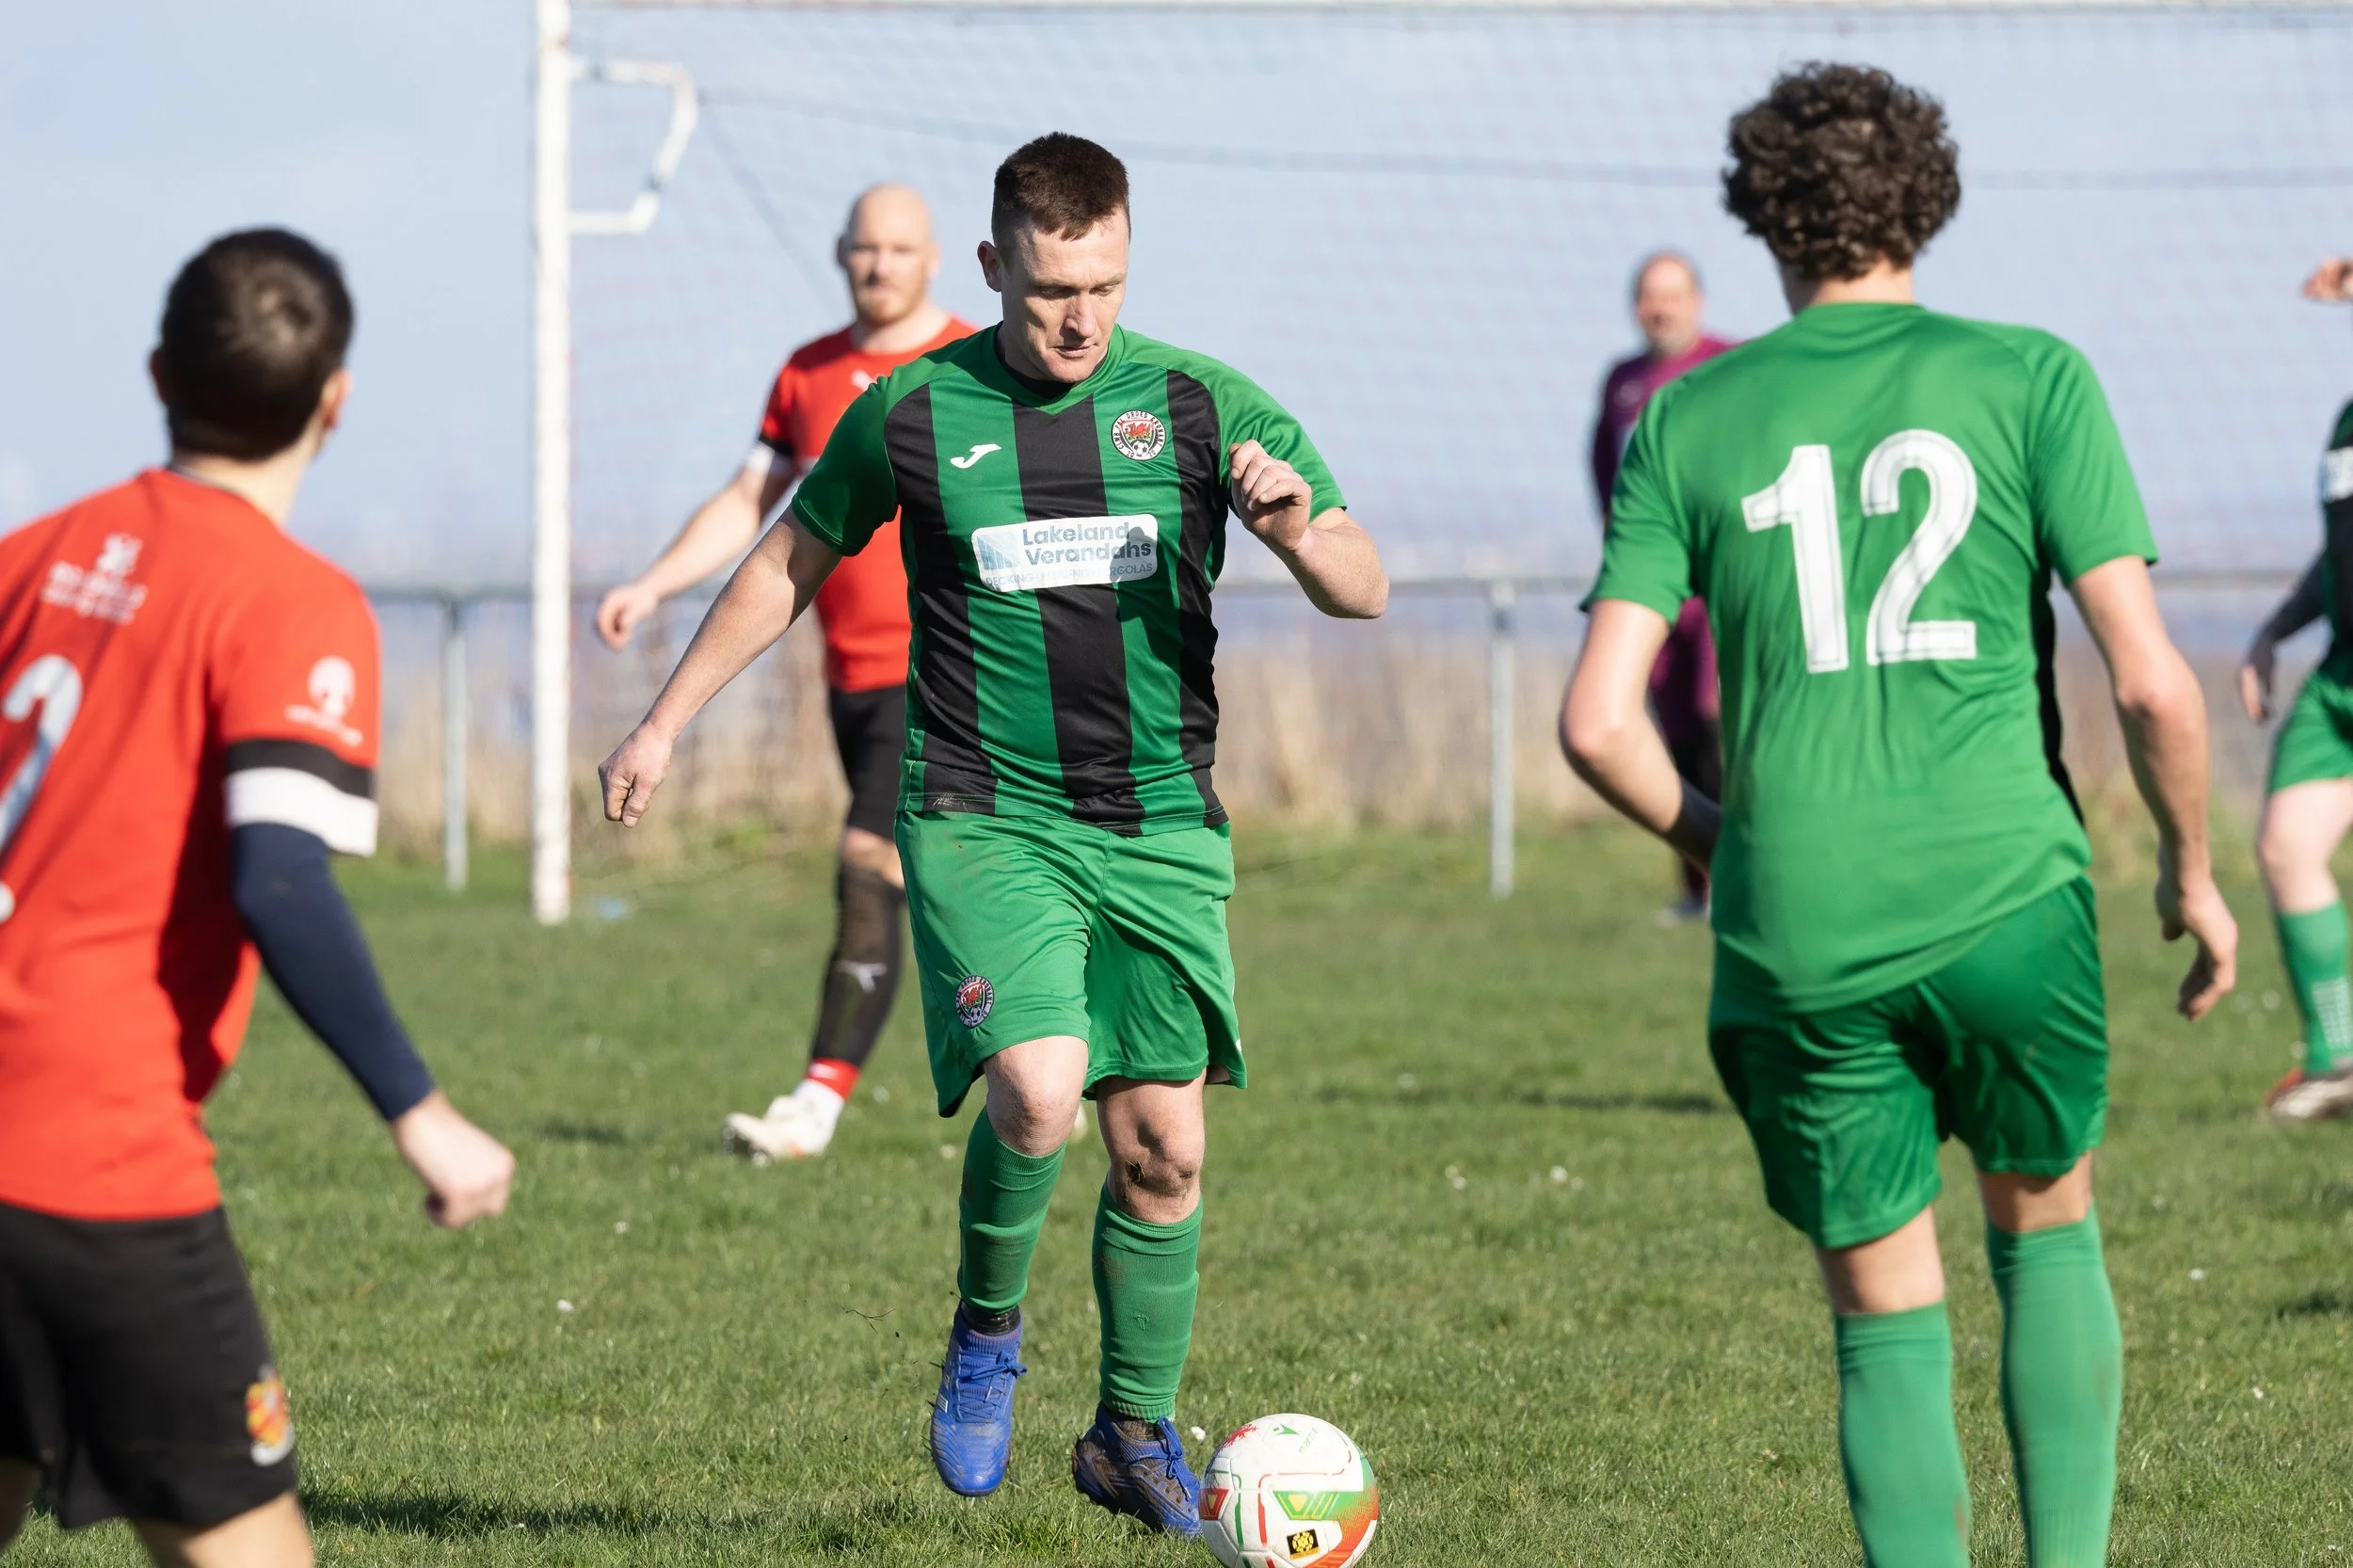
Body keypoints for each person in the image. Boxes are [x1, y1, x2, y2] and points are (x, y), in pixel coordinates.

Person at [598, 134, 1386, 1536]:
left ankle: (1129, 1429)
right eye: (1047, 291)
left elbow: (1361, 579)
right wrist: (663, 721)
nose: (1080, 318)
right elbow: (788, 558)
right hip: (979, 812)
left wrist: (1295, 533)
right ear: (990, 269)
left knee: (1164, 1149)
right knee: (1036, 1086)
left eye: (1105, 285)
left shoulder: (1202, 406)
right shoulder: (911, 412)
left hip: (1156, 829)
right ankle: (986, 1326)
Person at [1561, 66, 2234, 1568]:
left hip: (1800, 917)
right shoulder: (2033, 376)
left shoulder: (1688, 417)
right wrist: (2193, 872)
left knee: (1881, 1305)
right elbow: (2157, 691)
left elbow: (1598, 723)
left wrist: (1729, 842)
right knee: (2046, 1223)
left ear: (1761, 214)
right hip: (2006, 887)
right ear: (1931, 194)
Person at [0, 230, 515, 1567]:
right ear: (335, 399)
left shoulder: (29, 559)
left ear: (158, 370)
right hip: (92, 1163)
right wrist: (427, 1116)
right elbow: (280, 877)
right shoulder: (290, 602)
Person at [597, 185, 974, 1162]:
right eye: (864, 248)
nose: (879, 264)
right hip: (847, 680)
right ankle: (1047, 1050)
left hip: (946, 670)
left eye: (899, 249)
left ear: (934, 258)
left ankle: (815, 1101)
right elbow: (753, 501)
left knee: (866, 860)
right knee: (941, 887)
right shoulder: (808, 373)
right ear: (841, 253)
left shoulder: (977, 363)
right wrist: (655, 582)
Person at [2235, 255, 2353, 1121]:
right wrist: (2276, 629)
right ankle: (2339, 1056)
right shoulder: (2345, 426)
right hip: (2341, 674)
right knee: (2286, 845)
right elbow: (2338, 557)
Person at [1589, 253, 1737, 921]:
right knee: (1668, 736)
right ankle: (1696, 888)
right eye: (1650, 296)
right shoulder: (1622, 382)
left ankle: (1746, 878)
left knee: (1719, 727)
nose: (1662, 309)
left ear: (1697, 300)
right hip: (1652, 587)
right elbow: (1604, 469)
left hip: (1719, 583)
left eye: (1674, 296)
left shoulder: (1733, 366)